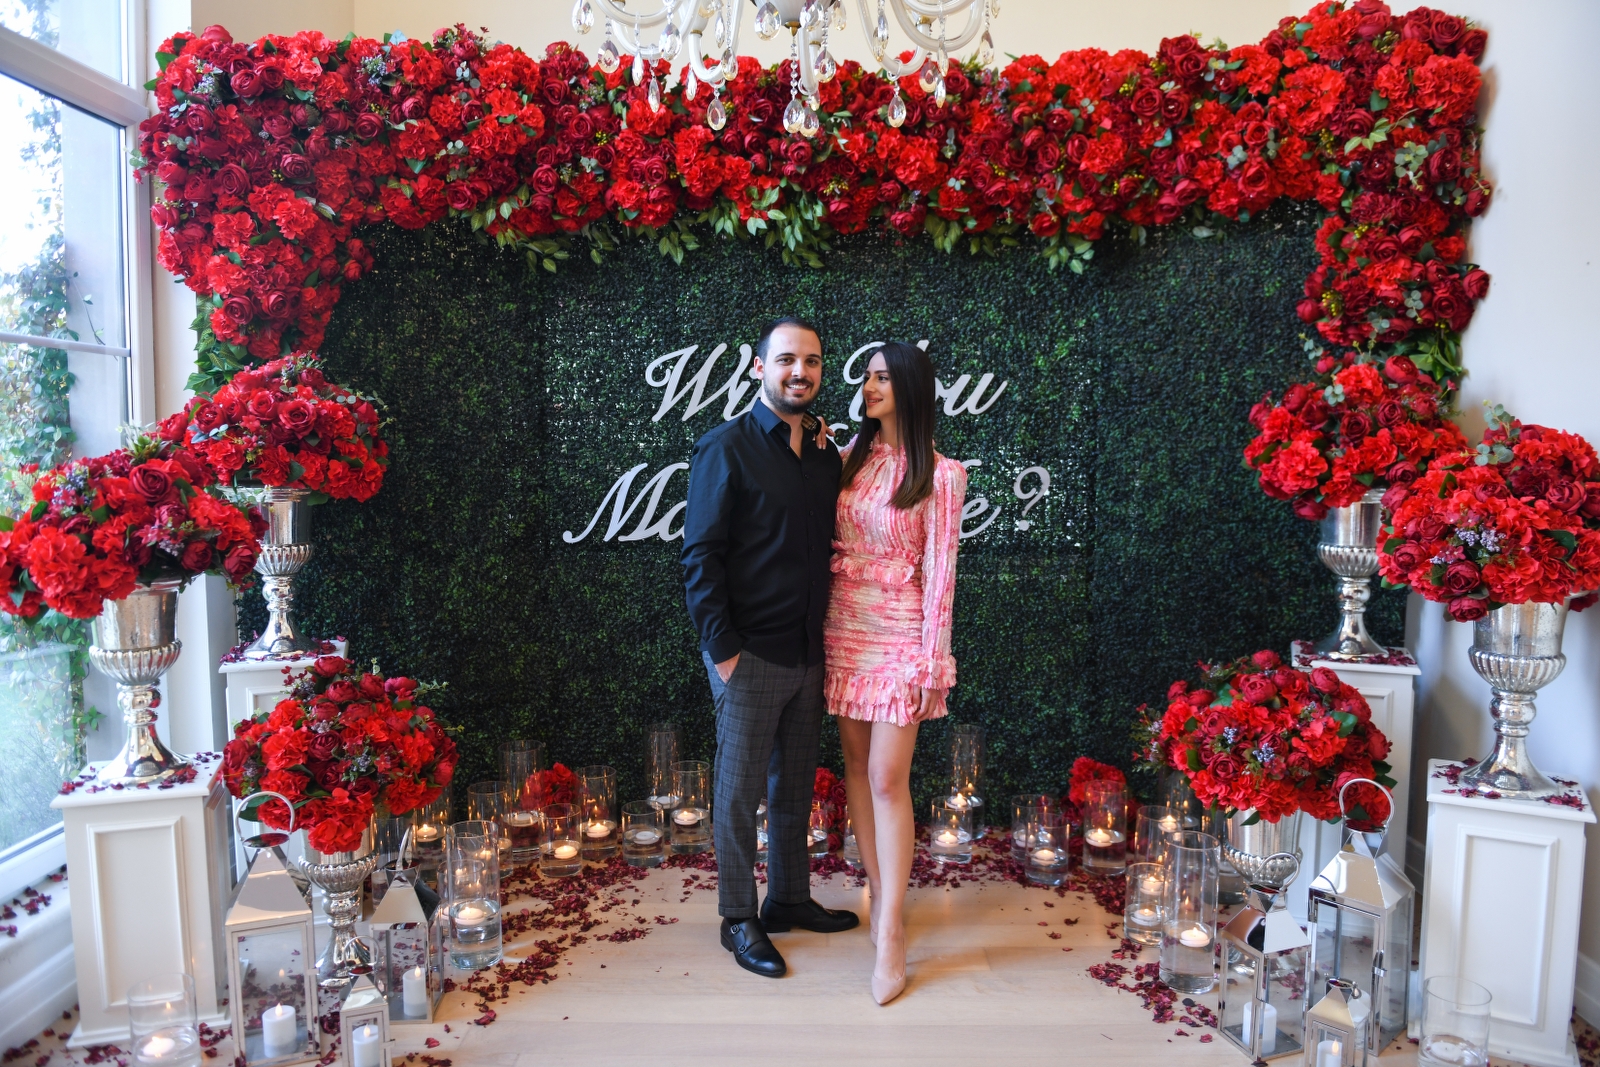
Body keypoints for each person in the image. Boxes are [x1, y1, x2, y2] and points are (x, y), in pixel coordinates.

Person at [680, 316, 862, 979]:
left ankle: (787, 898)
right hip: (749, 653)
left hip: (809, 651)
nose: (799, 372)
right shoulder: (724, 447)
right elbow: (700, 556)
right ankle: (737, 916)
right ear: (759, 367)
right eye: (786, 359)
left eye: (811, 361)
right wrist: (723, 651)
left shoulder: (823, 454)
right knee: (738, 793)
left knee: (794, 785)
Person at [824, 341, 967, 1005]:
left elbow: (941, 577)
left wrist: (931, 660)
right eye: (866, 378)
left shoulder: (942, 474)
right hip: (842, 628)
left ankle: (890, 933)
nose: (869, 387)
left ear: (910, 386)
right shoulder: (847, 458)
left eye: (882, 378)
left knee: (888, 776)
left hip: (900, 638)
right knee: (856, 769)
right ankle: (882, 897)